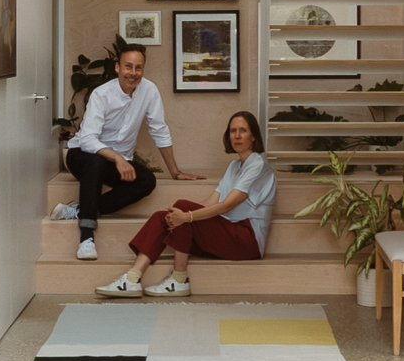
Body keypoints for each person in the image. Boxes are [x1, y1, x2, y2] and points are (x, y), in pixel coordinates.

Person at [97, 109, 275, 299]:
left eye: (243, 130)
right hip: (228, 233)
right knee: (166, 216)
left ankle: (179, 280)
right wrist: (180, 215)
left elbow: (227, 205)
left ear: (254, 136)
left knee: (183, 211)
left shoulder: (257, 163)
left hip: (247, 239)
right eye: (233, 131)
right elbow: (211, 202)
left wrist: (187, 216)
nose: (237, 136)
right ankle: (132, 279)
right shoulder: (234, 166)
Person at [67, 44, 182, 261]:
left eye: (138, 68)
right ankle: (86, 237)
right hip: (81, 155)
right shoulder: (101, 94)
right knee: (96, 162)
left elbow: (159, 129)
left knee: (147, 180)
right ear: (117, 67)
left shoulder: (150, 91)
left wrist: (175, 171)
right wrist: (118, 158)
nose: (133, 73)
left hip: (116, 161)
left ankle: (81, 209)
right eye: (128, 67)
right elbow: (88, 140)